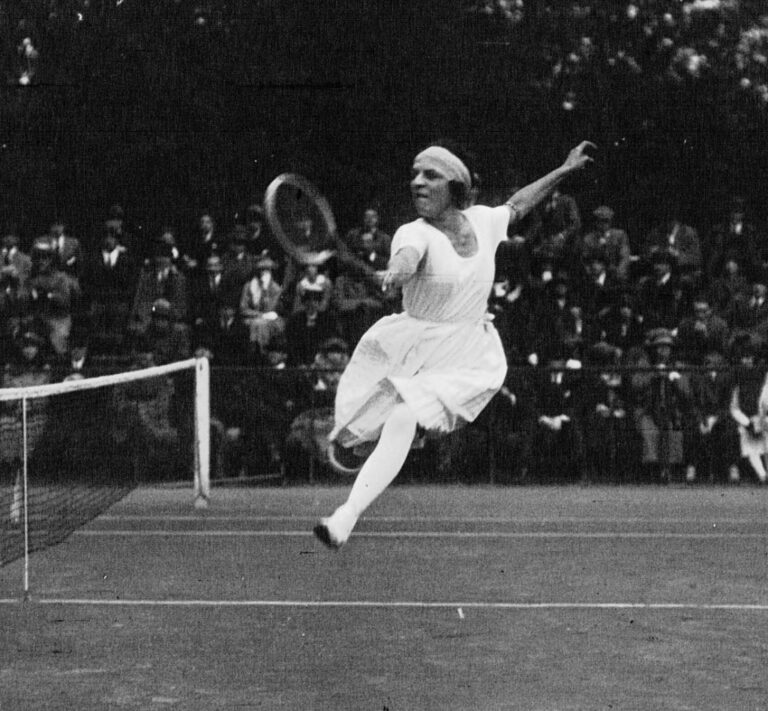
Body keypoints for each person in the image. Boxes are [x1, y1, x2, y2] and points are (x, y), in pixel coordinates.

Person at [313, 139, 595, 548]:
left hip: (468, 353)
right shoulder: (412, 232)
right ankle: (352, 486)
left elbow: (518, 204)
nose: (417, 183)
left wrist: (565, 169)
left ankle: (346, 512)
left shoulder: (483, 220)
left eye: (430, 175)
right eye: (414, 174)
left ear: (455, 187)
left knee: (404, 418)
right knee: (391, 423)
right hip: (414, 347)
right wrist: (396, 272)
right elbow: (406, 258)